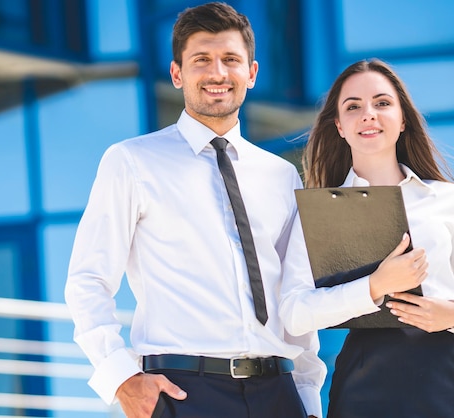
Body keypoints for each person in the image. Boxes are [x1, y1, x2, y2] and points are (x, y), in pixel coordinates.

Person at [65, 3, 325, 417]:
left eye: (230, 60)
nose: (217, 73)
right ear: (177, 74)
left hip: (277, 392)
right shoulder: (132, 162)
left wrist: (308, 397)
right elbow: (87, 281)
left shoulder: (281, 176)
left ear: (251, 73)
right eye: (201, 60)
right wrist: (121, 377)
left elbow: (296, 297)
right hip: (184, 392)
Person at [279, 59, 454, 418]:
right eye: (353, 107)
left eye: (382, 103)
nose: (369, 114)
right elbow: (294, 313)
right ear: (339, 126)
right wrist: (373, 286)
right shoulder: (319, 212)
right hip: (364, 382)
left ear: (403, 119)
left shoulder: (447, 198)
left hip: (449, 377)